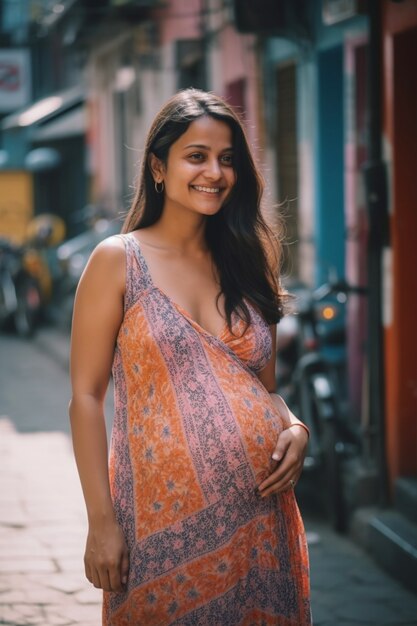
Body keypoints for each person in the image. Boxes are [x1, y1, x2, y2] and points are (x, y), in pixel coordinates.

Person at [69, 88, 311, 625]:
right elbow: (85, 398)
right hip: (160, 527)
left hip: (260, 526)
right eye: (196, 156)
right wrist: (100, 522)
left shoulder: (250, 262)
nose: (215, 172)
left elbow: (265, 387)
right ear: (159, 166)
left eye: (227, 159)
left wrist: (294, 426)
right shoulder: (118, 261)